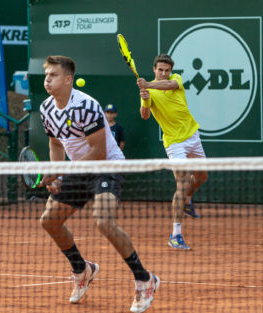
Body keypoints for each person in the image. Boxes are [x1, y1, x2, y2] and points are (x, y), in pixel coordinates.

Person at [39, 55, 159, 313]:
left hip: (107, 166)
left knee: (103, 221)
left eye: (54, 75)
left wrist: (62, 170)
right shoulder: (46, 108)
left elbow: (99, 151)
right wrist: (56, 173)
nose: (48, 79)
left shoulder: (87, 106)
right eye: (46, 74)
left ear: (68, 79)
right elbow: (55, 144)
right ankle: (82, 269)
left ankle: (144, 279)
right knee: (49, 220)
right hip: (79, 168)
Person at [137, 54, 208, 250]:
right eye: (160, 70)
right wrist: (145, 99)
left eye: (167, 70)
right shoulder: (148, 90)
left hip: (192, 135)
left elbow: (169, 86)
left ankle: (185, 200)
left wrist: (148, 86)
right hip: (174, 143)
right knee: (182, 181)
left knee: (202, 176)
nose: (164, 73)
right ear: (154, 69)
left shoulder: (175, 80)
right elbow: (144, 116)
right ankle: (176, 235)